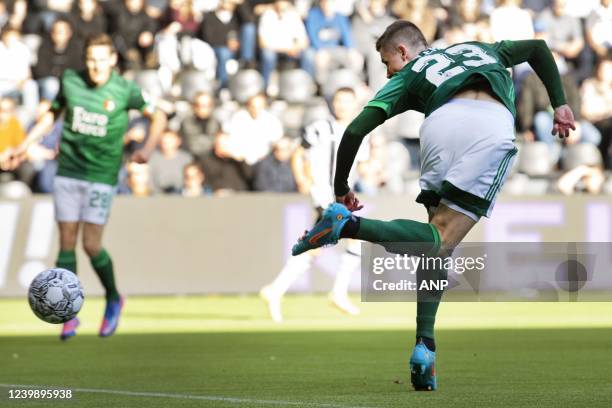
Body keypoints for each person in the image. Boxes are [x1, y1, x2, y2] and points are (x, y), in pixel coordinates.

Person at [291, 21, 575, 391]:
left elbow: (356, 130)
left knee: (435, 247)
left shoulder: (407, 78)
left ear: (403, 52)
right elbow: (537, 48)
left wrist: (341, 186)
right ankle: (347, 227)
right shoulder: (479, 48)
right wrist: (560, 103)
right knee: (440, 240)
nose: (387, 70)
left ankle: (424, 347)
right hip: (487, 123)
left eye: (386, 61)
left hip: (438, 127)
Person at [1, 33, 167, 340]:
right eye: (91, 60)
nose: (96, 66)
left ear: (112, 61)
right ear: (86, 59)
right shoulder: (71, 81)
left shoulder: (125, 89)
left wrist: (148, 148)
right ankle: (67, 315)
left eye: (102, 60)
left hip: (101, 175)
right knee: (66, 241)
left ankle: (114, 297)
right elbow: (51, 115)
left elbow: (159, 115)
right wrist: (24, 145)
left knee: (90, 244)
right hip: (68, 171)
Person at [260, 87, 368, 322]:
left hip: (342, 198)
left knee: (318, 245)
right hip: (323, 195)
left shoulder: (361, 131)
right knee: (349, 236)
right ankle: (336, 293)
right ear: (333, 103)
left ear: (354, 104)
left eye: (347, 101)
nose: (342, 106)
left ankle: (276, 289)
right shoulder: (320, 127)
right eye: (339, 100)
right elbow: (299, 153)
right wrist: (302, 179)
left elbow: (362, 164)